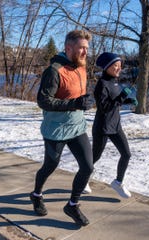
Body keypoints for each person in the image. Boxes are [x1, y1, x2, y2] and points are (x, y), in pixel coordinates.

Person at [30, 30, 94, 227]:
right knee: (50, 166)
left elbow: (76, 94)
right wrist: (74, 103)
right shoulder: (54, 71)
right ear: (69, 48)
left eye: (87, 48)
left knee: (88, 166)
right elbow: (43, 101)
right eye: (82, 48)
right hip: (55, 130)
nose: (85, 52)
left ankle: (73, 204)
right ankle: (36, 194)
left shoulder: (82, 67)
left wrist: (87, 100)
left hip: (76, 127)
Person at [84, 52, 137, 198]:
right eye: (115, 65)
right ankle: (83, 179)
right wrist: (122, 97)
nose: (119, 68)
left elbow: (115, 102)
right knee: (95, 157)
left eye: (120, 65)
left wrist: (128, 101)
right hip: (102, 127)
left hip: (115, 125)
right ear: (107, 67)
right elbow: (105, 108)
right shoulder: (101, 85)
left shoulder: (115, 82)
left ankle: (118, 182)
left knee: (126, 154)